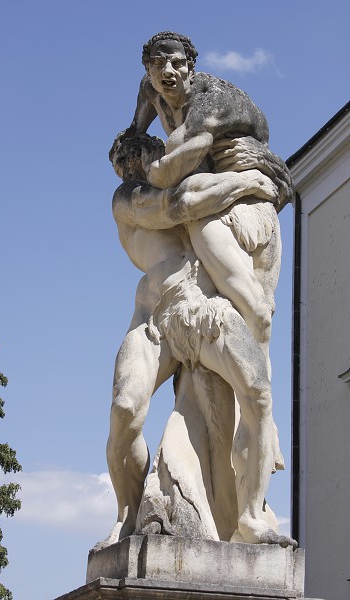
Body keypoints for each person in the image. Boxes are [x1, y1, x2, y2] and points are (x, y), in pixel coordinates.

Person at [103, 133, 296, 548]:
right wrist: (251, 182)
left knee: (259, 395)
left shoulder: (201, 184)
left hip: (208, 314)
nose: (130, 165)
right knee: (125, 408)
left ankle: (251, 517)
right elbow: (182, 205)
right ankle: (126, 515)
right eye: (122, 162)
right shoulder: (128, 199)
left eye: (136, 154)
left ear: (156, 152)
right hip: (156, 319)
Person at [114, 31, 293, 374]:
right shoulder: (150, 89)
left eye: (177, 63)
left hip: (240, 175)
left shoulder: (210, 103)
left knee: (253, 307)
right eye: (158, 64)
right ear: (147, 69)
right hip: (204, 187)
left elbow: (171, 174)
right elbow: (135, 132)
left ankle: (258, 376)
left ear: (190, 67)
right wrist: (135, 154)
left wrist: (151, 168)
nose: (167, 71)